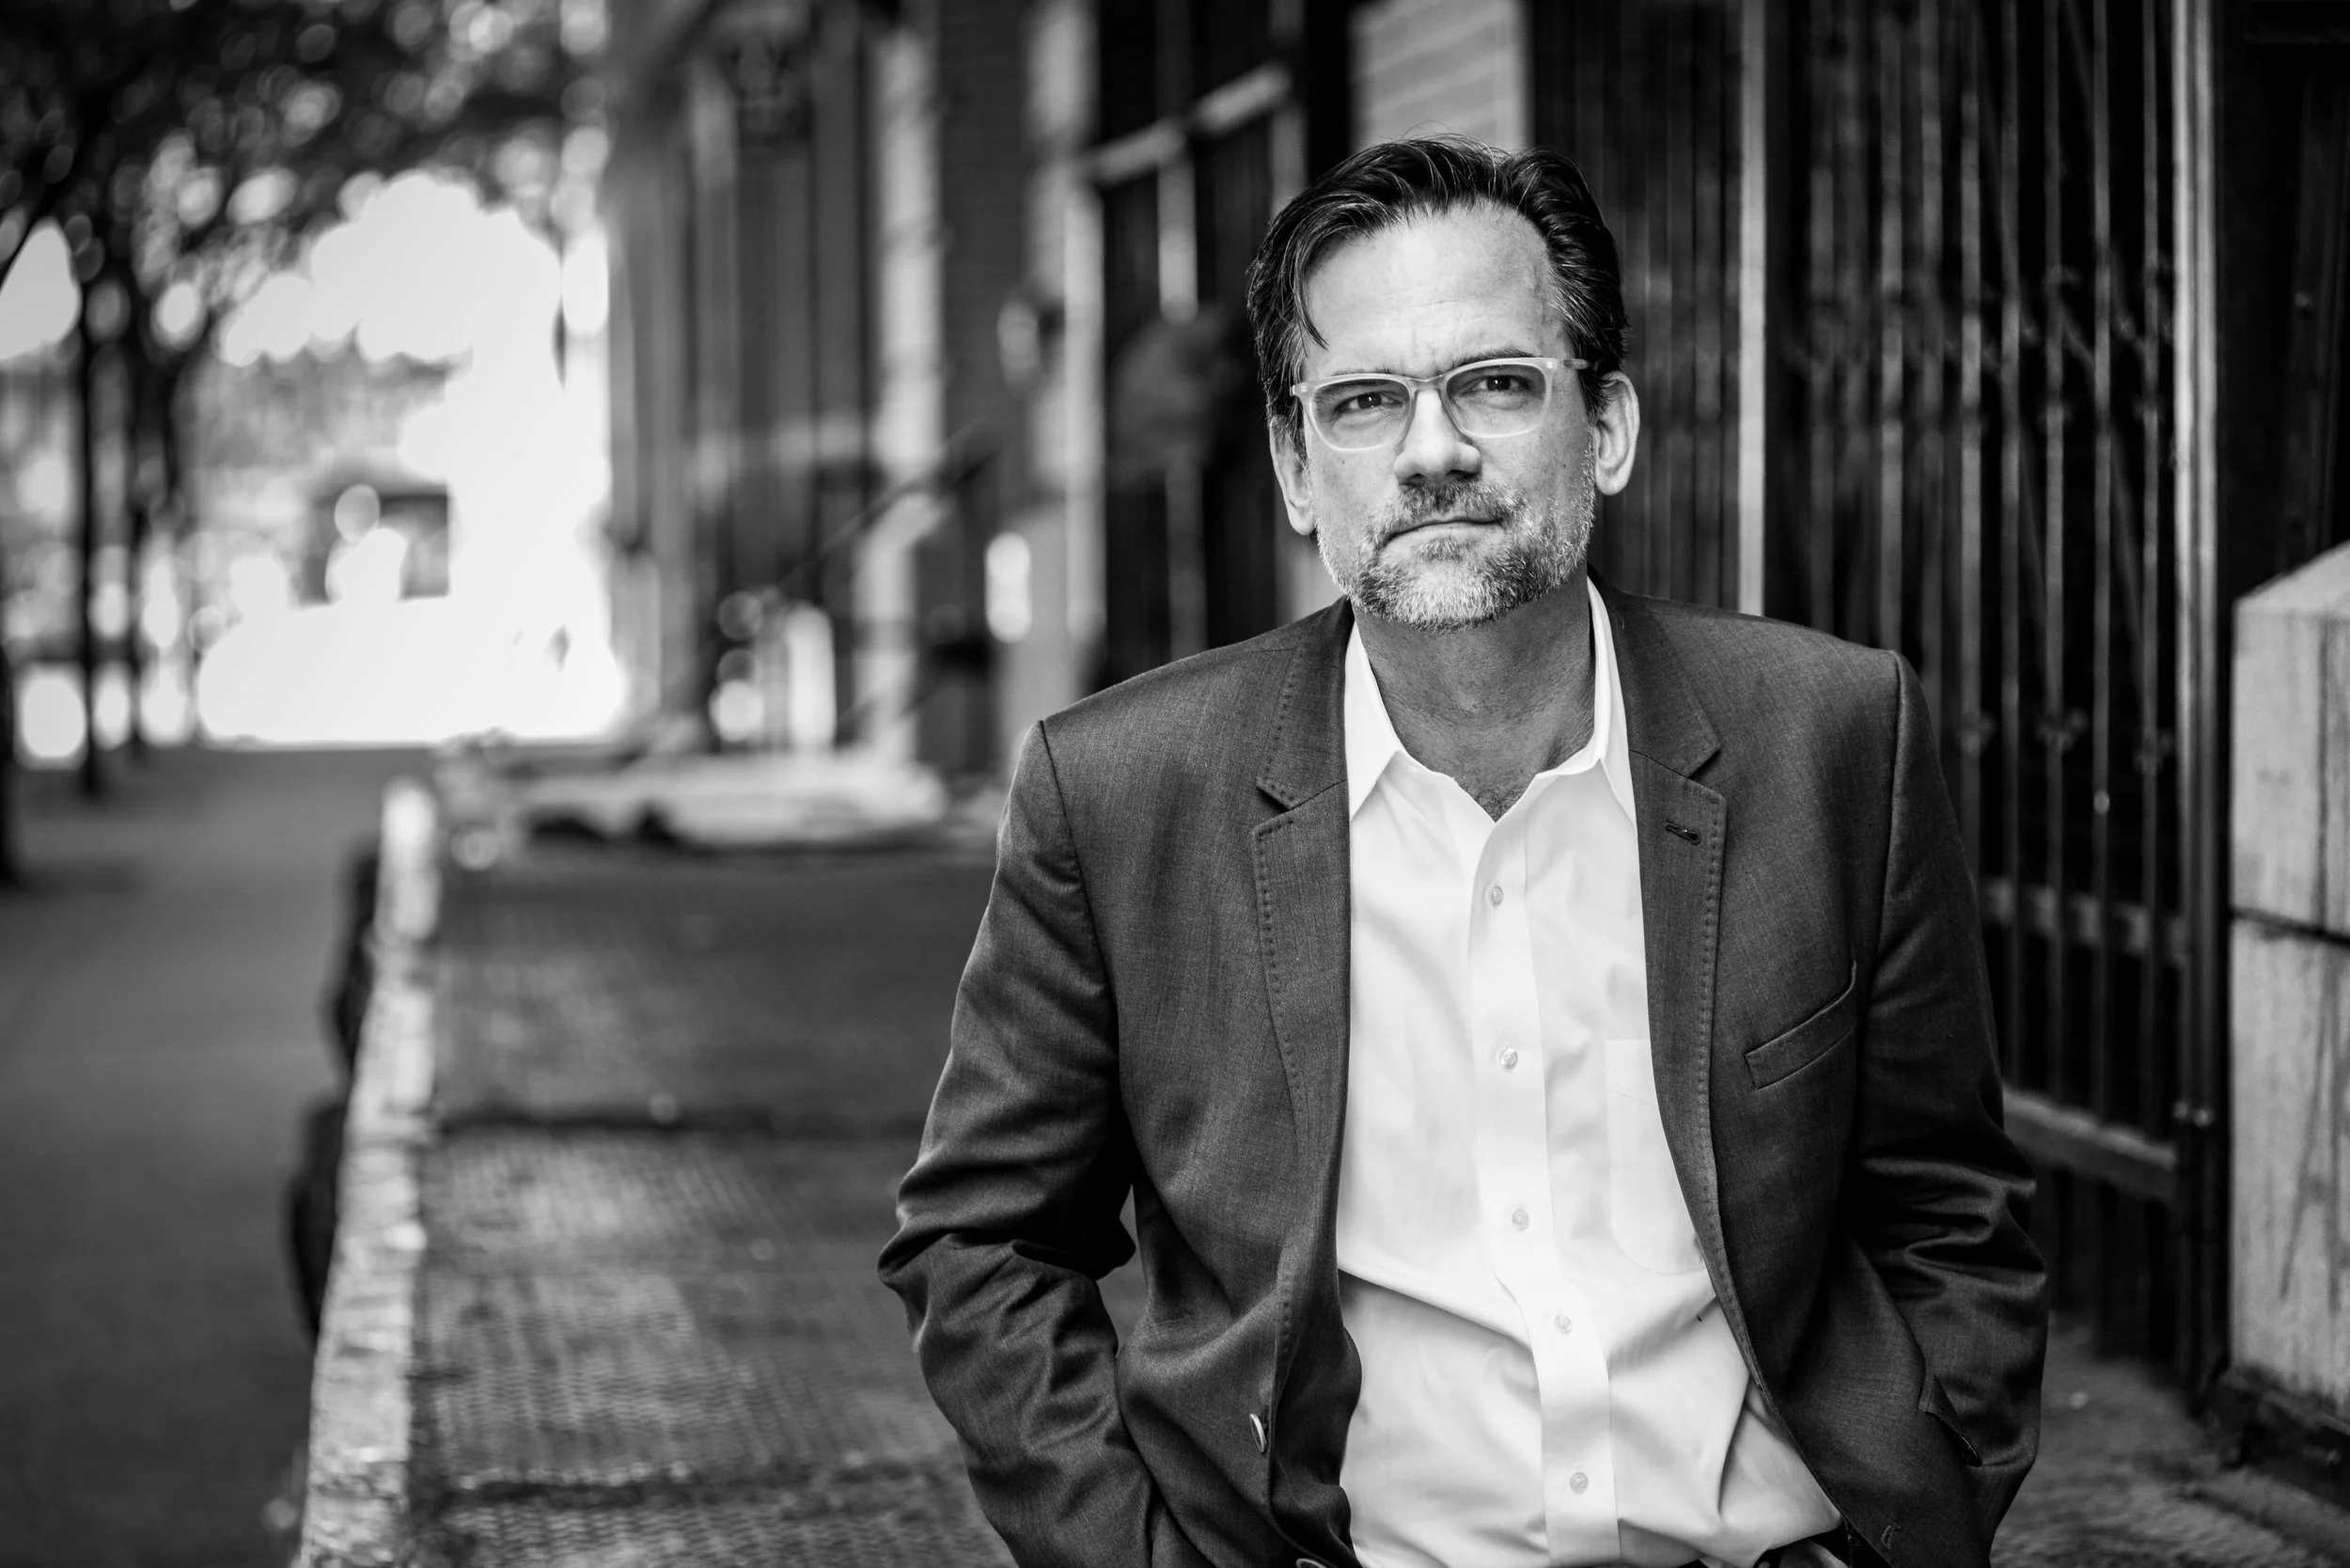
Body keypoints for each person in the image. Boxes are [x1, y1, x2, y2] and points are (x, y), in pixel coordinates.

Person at [879, 136, 2046, 1568]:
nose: (1432, 452)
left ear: (1605, 427)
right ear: (1297, 465)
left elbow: (1949, 1201)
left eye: (1494, 382)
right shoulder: (1117, 793)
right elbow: (983, 1241)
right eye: (1365, 401)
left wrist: (1921, 1503)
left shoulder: (1833, 737)